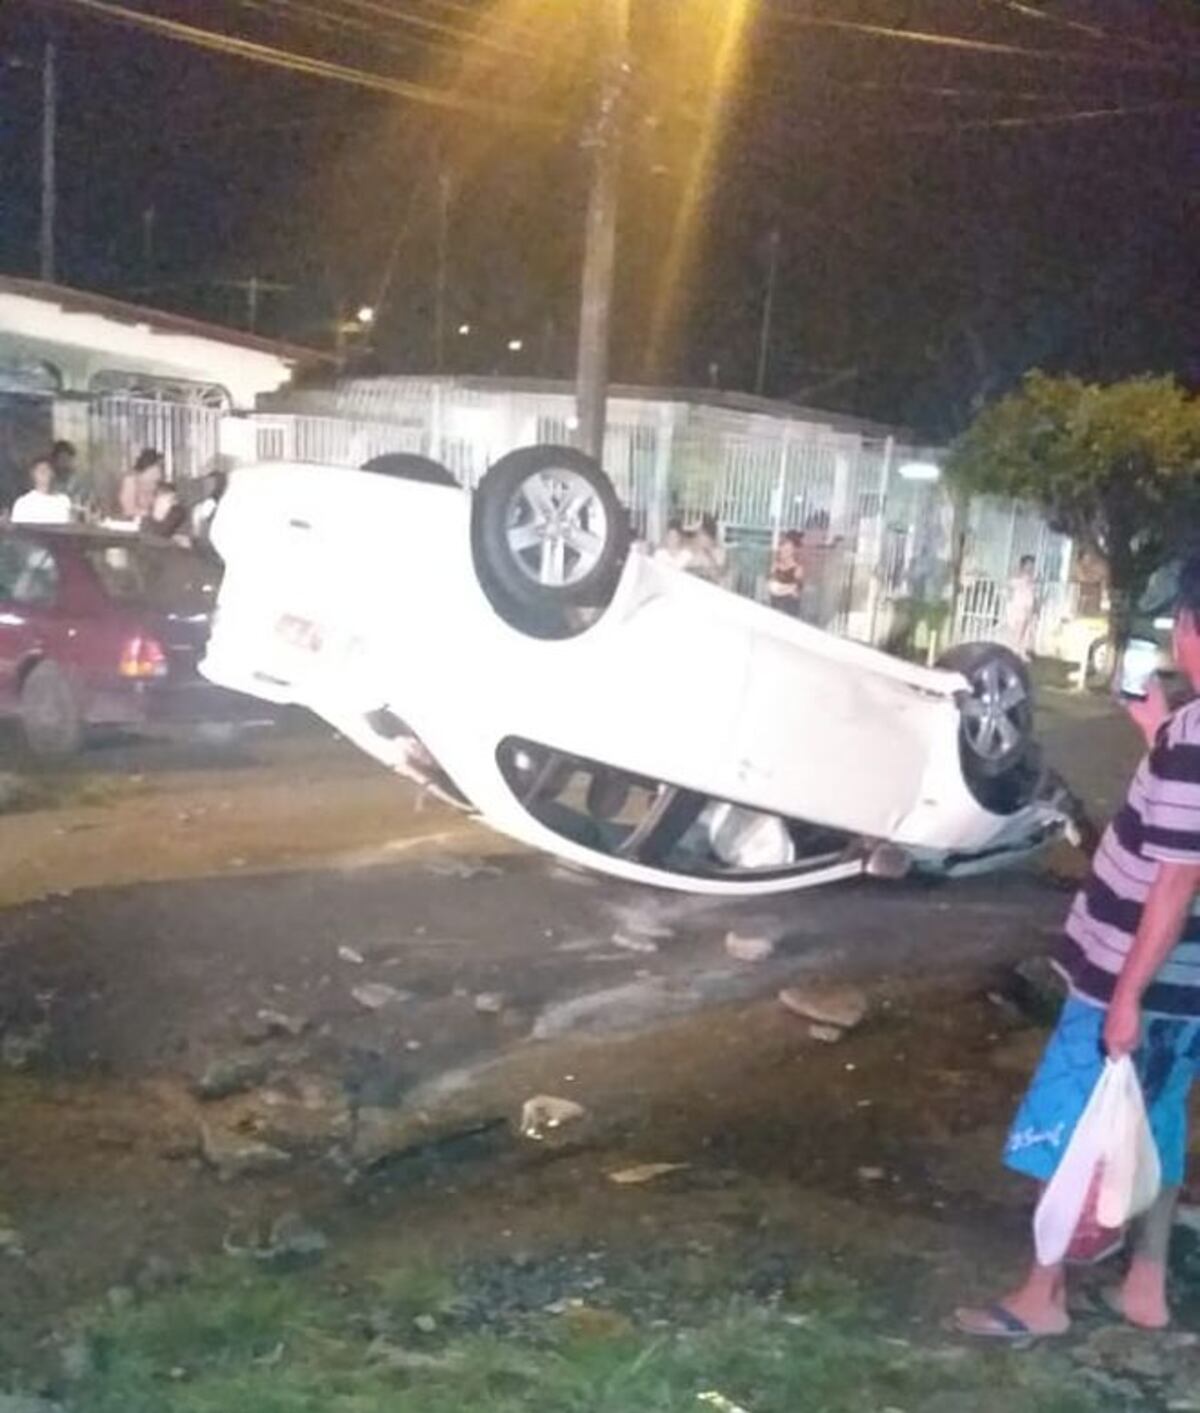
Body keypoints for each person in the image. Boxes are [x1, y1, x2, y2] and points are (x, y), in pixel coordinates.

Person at [956, 550, 1200, 1340]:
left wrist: (1125, 994)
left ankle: (1043, 1294)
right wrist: (1159, 736)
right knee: (1157, 1112)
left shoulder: (1195, 736)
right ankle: (1146, 1286)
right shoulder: (1184, 736)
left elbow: (1177, 877)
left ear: (1190, 625)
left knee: (1071, 1118)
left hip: (1135, 969)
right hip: (1192, 982)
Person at [9, 458, 73, 525]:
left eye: (47, 470)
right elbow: (18, 529)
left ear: (52, 473)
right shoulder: (23, 503)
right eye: (40, 470)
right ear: (33, 474)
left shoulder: (64, 501)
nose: (43, 473)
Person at [1002, 554, 1039, 660]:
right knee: (1019, 631)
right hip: (1020, 607)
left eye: (1032, 565)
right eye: (1028, 565)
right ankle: (1014, 651)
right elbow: (1010, 585)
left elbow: (1033, 594)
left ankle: (1021, 652)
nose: (1030, 567)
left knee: (1026, 631)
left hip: (1028, 607)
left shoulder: (1032, 580)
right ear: (1023, 566)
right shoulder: (1019, 579)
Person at [118, 449, 165, 523]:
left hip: (150, 522)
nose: (159, 475)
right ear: (146, 467)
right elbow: (129, 510)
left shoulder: (154, 485)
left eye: (161, 469)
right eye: (157, 468)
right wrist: (150, 513)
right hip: (132, 523)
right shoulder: (130, 481)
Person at [767, 533, 804, 616]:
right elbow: (770, 584)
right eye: (781, 550)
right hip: (775, 603)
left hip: (789, 606)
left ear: (792, 552)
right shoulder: (775, 565)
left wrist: (781, 589)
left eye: (786, 551)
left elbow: (796, 591)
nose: (783, 553)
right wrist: (787, 589)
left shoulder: (797, 569)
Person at [689, 513, 730, 585]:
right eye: (697, 535)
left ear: (708, 536)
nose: (696, 538)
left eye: (699, 534)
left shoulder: (720, 553)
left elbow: (720, 578)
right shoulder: (696, 552)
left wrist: (708, 557)